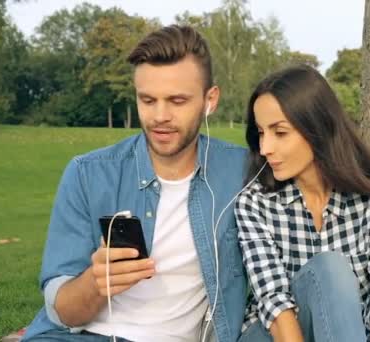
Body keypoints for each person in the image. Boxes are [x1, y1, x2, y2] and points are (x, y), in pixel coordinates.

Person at [23, 25, 248, 342]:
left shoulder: (243, 172)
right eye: (147, 100)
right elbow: (62, 311)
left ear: (210, 100)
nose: (160, 116)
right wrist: (96, 282)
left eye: (177, 100)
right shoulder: (87, 173)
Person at [234, 65, 370, 342]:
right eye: (261, 132)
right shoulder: (255, 202)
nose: (265, 148)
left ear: (317, 128)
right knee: (330, 270)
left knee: (333, 271)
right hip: (273, 335)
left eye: (279, 133)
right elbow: (275, 304)